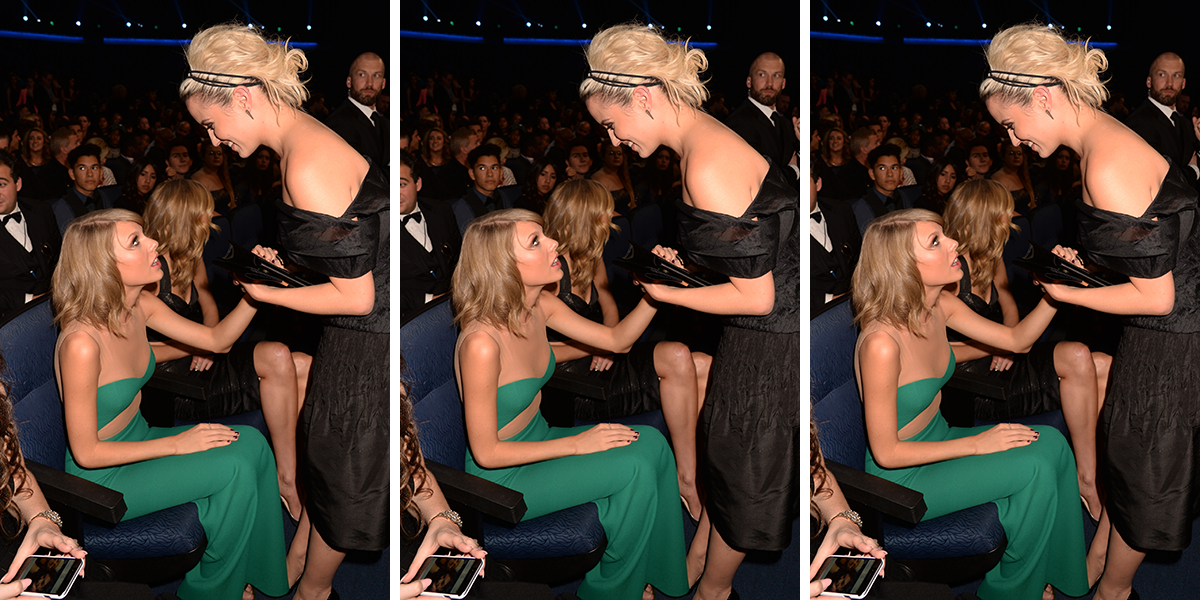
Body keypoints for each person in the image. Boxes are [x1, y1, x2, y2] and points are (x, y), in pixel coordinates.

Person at [981, 23, 1200, 600]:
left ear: (1044, 96)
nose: (1012, 140)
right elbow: (1156, 260)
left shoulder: (1105, 164)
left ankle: (1110, 591)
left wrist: (1066, 292)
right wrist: (1097, 269)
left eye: (1011, 123)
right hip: (1163, 334)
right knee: (1127, 467)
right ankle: (1097, 562)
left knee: (1141, 475)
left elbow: (1158, 295)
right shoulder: (1110, 140)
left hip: (1170, 343)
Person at [581, 24, 799, 600]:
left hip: (769, 338)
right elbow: (754, 259)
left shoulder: (705, 163)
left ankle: (711, 591)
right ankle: (697, 563)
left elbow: (758, 295)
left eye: (611, 123)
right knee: (725, 464)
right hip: (762, 330)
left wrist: (665, 293)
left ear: (645, 98)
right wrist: (694, 269)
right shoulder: (707, 141)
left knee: (739, 471)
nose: (612, 140)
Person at [180, 23, 388, 600]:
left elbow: (357, 295)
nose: (214, 140)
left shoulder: (305, 163)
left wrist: (265, 292)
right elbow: (350, 260)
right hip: (359, 324)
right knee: (329, 456)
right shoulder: (306, 136)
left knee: (341, 466)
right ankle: (299, 556)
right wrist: (292, 270)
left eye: (210, 124)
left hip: (364, 333)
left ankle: (310, 592)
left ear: (242, 97)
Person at [852, 208, 1088, 600]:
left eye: (944, 235)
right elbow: (887, 452)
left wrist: (1056, 291)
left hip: (939, 441)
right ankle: (1014, 591)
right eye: (935, 242)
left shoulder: (939, 304)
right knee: (1033, 464)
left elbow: (1016, 341)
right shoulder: (880, 342)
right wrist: (980, 443)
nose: (953, 243)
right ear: (904, 265)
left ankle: (1035, 578)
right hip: (903, 476)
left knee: (1050, 443)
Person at [52, 209, 287, 600]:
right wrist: (180, 443)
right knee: (232, 464)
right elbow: (87, 452)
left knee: (251, 444)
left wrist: (256, 290)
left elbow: (216, 341)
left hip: (139, 441)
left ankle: (240, 578)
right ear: (103, 265)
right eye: (135, 242)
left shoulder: (139, 304)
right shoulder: (80, 342)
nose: (153, 243)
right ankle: (213, 592)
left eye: (144, 236)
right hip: (103, 476)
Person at [453, 209, 687, 600]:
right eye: (535, 242)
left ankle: (638, 578)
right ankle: (613, 592)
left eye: (545, 236)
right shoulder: (480, 342)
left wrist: (656, 291)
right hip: (503, 476)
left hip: (539, 441)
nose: (553, 244)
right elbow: (487, 452)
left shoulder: (539, 305)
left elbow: (616, 341)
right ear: (503, 265)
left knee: (650, 444)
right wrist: (580, 443)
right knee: (633, 464)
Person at [141, 178, 311, 523]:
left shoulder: (190, 257)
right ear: (183, 217)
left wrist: (206, 340)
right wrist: (200, 343)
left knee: (304, 363)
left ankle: (287, 468)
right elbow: (138, 358)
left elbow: (210, 309)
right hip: (171, 387)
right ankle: (287, 480)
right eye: (204, 214)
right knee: (278, 355)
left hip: (203, 361)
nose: (213, 219)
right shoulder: (147, 273)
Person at [542, 178, 711, 522]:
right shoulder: (546, 274)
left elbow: (610, 310)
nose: (613, 220)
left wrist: (606, 339)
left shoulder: (590, 258)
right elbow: (539, 358)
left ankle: (688, 468)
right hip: (572, 387)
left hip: (604, 360)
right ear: (583, 218)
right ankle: (687, 479)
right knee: (679, 355)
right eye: (604, 215)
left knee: (704, 363)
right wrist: (599, 343)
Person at [942, 178, 1111, 522]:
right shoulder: (947, 274)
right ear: (983, 218)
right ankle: (1086, 479)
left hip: (1004, 360)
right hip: (972, 386)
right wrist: (999, 343)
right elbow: (938, 358)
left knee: (1104, 364)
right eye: (1004, 215)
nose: (1013, 220)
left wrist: (1005, 339)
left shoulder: (990, 258)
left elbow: (1010, 310)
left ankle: (1086, 469)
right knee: (1079, 356)